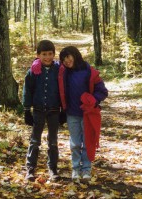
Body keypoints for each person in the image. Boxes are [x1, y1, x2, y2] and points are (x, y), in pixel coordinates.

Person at [58, 46, 108, 181]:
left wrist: (94, 99)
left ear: (75, 55)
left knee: (87, 142)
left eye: (68, 57)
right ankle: (75, 169)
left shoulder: (88, 71)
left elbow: (102, 91)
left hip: (87, 114)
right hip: (71, 114)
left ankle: (86, 169)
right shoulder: (63, 73)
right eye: (63, 59)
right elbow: (47, 63)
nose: (66, 61)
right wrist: (36, 62)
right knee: (75, 143)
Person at [22, 40, 62, 181]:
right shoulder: (33, 71)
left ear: (54, 54)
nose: (47, 57)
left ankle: (52, 169)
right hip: (38, 110)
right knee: (35, 140)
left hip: (54, 110)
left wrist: (63, 110)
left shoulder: (59, 70)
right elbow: (27, 90)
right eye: (44, 54)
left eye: (50, 54)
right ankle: (30, 169)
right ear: (38, 55)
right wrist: (27, 110)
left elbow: (63, 90)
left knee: (53, 141)